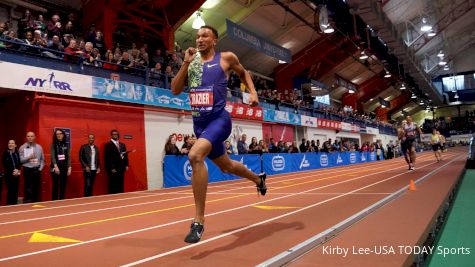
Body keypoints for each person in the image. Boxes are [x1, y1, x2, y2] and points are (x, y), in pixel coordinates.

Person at [171, 25, 266, 243]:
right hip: (199, 125)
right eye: (197, 36)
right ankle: (258, 179)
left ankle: (198, 221)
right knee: (226, 166)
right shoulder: (192, 62)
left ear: (214, 40)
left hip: (219, 120)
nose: (199, 39)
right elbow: (175, 89)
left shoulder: (226, 58)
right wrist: (185, 62)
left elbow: (244, 73)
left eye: (205, 35)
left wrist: (252, 92)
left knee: (195, 156)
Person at [19, 131, 45, 203]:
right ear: (26, 137)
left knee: (36, 187)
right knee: (27, 187)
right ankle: (28, 202)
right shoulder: (22, 147)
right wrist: (28, 157)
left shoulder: (39, 147)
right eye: (28, 136)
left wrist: (40, 169)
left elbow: (43, 160)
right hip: (27, 169)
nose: (30, 138)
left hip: (37, 169)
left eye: (32, 136)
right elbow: (20, 160)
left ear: (34, 137)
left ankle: (35, 202)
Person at [104, 130, 129, 194]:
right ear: (111, 135)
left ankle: (120, 197)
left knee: (120, 183)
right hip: (113, 168)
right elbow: (107, 158)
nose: (115, 135)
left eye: (116, 134)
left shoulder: (122, 145)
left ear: (118, 135)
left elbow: (125, 155)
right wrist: (111, 168)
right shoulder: (108, 145)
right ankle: (112, 198)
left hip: (121, 167)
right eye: (113, 134)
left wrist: (126, 165)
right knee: (113, 184)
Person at [50, 129, 72, 200]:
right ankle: (54, 201)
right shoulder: (53, 145)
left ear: (63, 135)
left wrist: (69, 167)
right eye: (57, 134)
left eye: (60, 134)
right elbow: (52, 157)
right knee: (55, 185)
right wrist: (55, 167)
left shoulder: (66, 145)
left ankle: (61, 201)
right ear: (55, 136)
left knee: (63, 185)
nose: (59, 135)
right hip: (55, 167)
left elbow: (68, 157)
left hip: (64, 167)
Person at [2, 140, 21, 205]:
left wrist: (17, 171)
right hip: (9, 175)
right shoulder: (5, 153)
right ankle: (9, 205)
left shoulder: (17, 153)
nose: (10, 144)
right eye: (9, 143)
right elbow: (5, 164)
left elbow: (19, 164)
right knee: (11, 190)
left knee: (15, 191)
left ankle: (14, 205)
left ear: (15, 145)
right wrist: (13, 171)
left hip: (16, 174)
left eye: (12, 143)